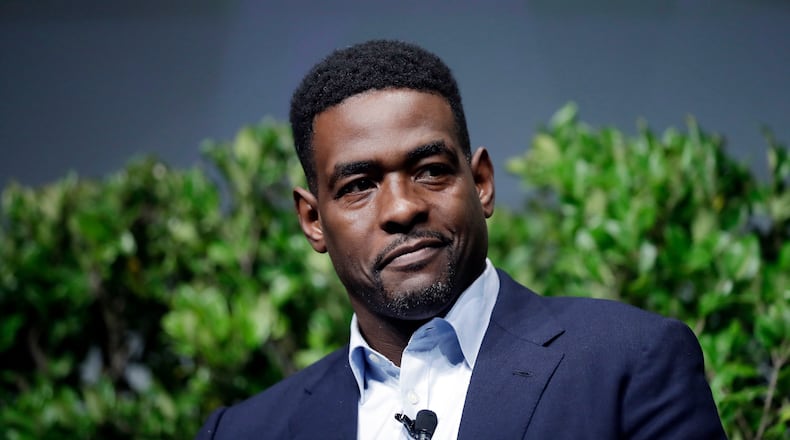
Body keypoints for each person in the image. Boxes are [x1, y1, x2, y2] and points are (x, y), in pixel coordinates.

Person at [196, 40, 726, 439]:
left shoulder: (630, 363)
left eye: (430, 170)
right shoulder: (243, 431)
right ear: (313, 220)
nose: (403, 208)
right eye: (358, 186)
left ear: (482, 183)